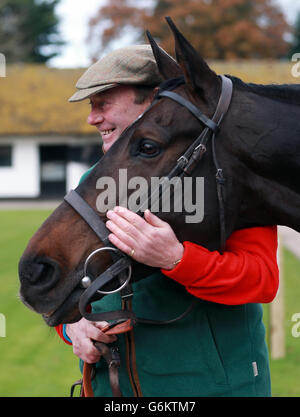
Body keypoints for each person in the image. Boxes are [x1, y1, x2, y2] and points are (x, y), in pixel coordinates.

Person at [55, 45, 279, 397]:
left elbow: (262, 281)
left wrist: (176, 259)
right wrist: (74, 329)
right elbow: (69, 286)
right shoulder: (90, 183)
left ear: (157, 100)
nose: (92, 118)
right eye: (90, 106)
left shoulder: (228, 177)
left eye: (103, 102)